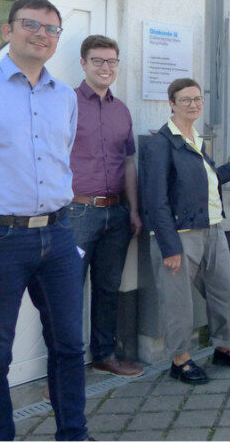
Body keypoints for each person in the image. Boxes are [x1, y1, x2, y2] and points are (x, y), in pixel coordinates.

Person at [0, 0, 88, 440]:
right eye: (31, 25)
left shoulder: (66, 99)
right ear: (7, 31)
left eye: (52, 29)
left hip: (57, 236)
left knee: (70, 345)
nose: (41, 34)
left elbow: (60, 158)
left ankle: (72, 432)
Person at [141, 78, 230, 385]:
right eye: (186, 99)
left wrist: (227, 169)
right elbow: (155, 200)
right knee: (178, 302)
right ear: (172, 104)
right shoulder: (161, 144)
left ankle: (223, 348)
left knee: (225, 291)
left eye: (198, 99)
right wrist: (169, 246)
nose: (194, 104)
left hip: (213, 229)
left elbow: (201, 182)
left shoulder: (196, 140)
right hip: (179, 235)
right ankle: (181, 360)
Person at [68, 35, 144, 377]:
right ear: (83, 64)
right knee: (66, 293)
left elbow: (128, 163)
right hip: (76, 213)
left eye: (112, 61)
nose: (105, 68)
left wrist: (133, 209)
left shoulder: (122, 110)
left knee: (108, 288)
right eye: (98, 61)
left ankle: (104, 355)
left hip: (116, 213)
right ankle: (63, 373)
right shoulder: (65, 103)